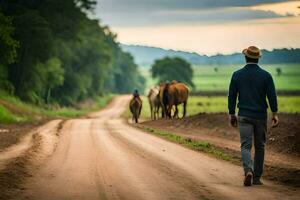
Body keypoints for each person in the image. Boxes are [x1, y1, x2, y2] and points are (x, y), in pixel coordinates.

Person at [228, 46, 279, 187]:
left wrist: (232, 113)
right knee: (260, 146)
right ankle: (256, 178)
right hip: (260, 116)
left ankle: (248, 170)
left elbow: (232, 96)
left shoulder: (237, 75)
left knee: (245, 145)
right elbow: (272, 96)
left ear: (245, 57)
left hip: (244, 115)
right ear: (258, 58)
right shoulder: (266, 76)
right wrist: (274, 113)